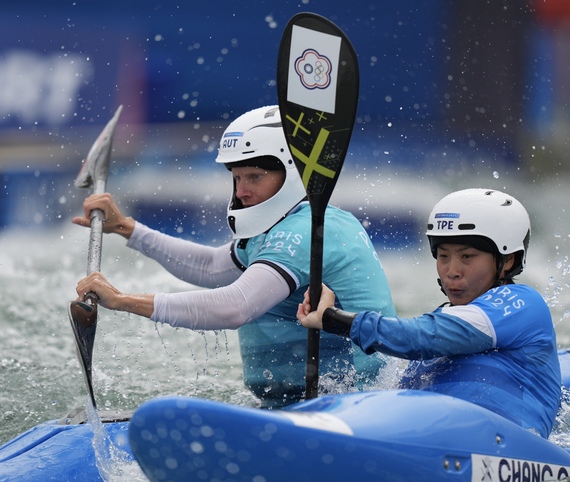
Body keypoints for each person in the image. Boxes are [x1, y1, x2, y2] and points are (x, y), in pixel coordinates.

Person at [73, 105, 396, 408]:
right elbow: (212, 267)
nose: (241, 190)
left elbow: (235, 306)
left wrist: (123, 300)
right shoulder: (280, 225)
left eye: (254, 176)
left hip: (357, 404)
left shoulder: (304, 231)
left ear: (294, 173)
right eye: (237, 177)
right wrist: (129, 228)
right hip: (303, 402)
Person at [297, 188, 561, 438]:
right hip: (435, 440)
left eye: (467, 257)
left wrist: (332, 318)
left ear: (508, 261)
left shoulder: (522, 303)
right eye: (443, 256)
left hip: (508, 448)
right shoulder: (443, 317)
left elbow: (418, 338)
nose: (452, 270)